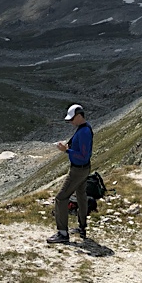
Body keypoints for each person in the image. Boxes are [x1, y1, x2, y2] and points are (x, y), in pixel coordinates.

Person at [49, 104, 94, 244]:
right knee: (81, 196)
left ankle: (62, 233)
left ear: (79, 116)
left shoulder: (84, 132)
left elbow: (83, 156)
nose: (70, 122)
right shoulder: (83, 129)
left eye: (72, 119)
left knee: (61, 197)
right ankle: (82, 227)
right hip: (83, 169)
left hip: (78, 170)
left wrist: (66, 151)